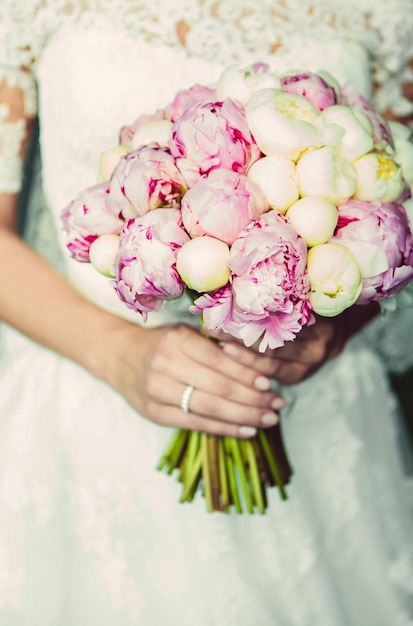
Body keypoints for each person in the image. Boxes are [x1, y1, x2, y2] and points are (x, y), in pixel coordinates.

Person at [0, 1, 412, 624]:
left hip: (312, 408)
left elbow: (396, 199)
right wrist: (122, 354)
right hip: (88, 409)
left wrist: (334, 327)